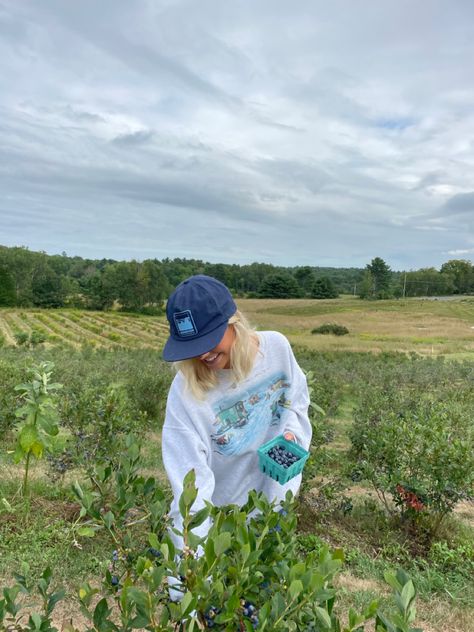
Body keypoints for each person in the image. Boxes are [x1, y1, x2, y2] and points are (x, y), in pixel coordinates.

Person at [161, 274, 312, 557]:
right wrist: (189, 575)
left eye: (209, 339)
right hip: (218, 519)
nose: (203, 353)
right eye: (193, 346)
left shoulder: (276, 348)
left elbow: (297, 400)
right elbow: (190, 484)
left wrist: (292, 432)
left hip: (273, 505)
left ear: (234, 323)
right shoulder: (185, 392)